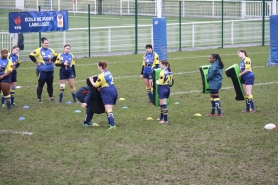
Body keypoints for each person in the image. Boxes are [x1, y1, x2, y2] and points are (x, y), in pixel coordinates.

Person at [89, 60, 118, 130]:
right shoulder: (109, 73)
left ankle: (112, 125)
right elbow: (105, 82)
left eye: (98, 66)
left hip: (107, 92)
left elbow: (95, 85)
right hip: (113, 90)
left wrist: (91, 81)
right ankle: (110, 122)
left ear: (100, 67)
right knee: (107, 109)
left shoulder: (101, 76)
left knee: (108, 109)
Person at [29, 37, 58, 103]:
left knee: (50, 84)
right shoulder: (39, 50)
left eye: (47, 43)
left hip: (50, 70)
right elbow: (31, 55)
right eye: (45, 43)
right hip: (42, 71)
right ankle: (39, 98)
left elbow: (56, 56)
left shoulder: (51, 50)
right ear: (42, 44)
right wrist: (36, 62)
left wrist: (53, 61)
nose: (47, 44)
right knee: (41, 84)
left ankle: (51, 97)